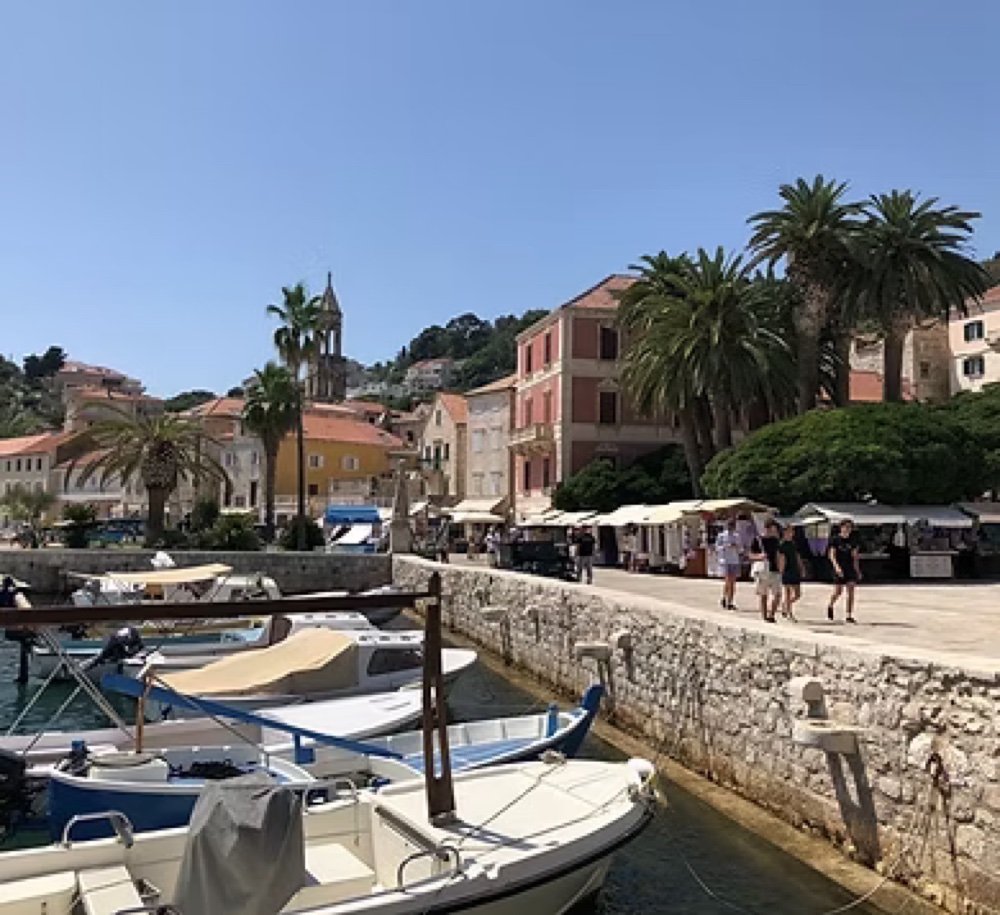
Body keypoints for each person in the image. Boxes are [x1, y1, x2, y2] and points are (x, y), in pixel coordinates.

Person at [828, 519, 861, 623]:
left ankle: (849, 614)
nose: (847, 529)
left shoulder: (853, 541)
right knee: (838, 591)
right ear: (841, 528)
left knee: (851, 591)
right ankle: (830, 604)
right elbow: (832, 555)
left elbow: (855, 556)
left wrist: (857, 570)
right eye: (846, 527)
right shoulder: (835, 540)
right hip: (839, 566)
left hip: (849, 567)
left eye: (849, 527)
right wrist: (837, 567)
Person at [749, 520, 782, 622]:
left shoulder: (776, 540)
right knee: (764, 594)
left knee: (778, 594)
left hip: (775, 570)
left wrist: (781, 568)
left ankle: (771, 615)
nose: (773, 532)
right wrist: (760, 556)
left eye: (775, 530)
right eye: (772, 530)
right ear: (766, 529)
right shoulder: (758, 540)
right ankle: (764, 616)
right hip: (763, 569)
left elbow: (778, 555)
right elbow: (750, 555)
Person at [777, 524, 806, 620]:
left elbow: (797, 557)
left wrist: (802, 567)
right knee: (788, 592)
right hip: (786, 570)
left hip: (795, 569)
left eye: (792, 531)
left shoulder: (793, 543)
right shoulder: (781, 544)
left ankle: (785, 605)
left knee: (798, 594)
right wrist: (781, 572)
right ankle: (789, 613)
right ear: (784, 532)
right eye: (789, 531)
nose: (791, 533)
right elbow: (780, 559)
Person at [715, 519, 742, 610]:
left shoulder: (737, 536)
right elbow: (717, 547)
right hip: (725, 560)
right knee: (728, 581)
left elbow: (740, 549)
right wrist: (726, 546)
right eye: (730, 525)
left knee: (733, 582)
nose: (731, 527)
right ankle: (725, 598)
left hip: (734, 560)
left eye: (732, 525)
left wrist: (737, 547)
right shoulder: (722, 535)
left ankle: (730, 602)